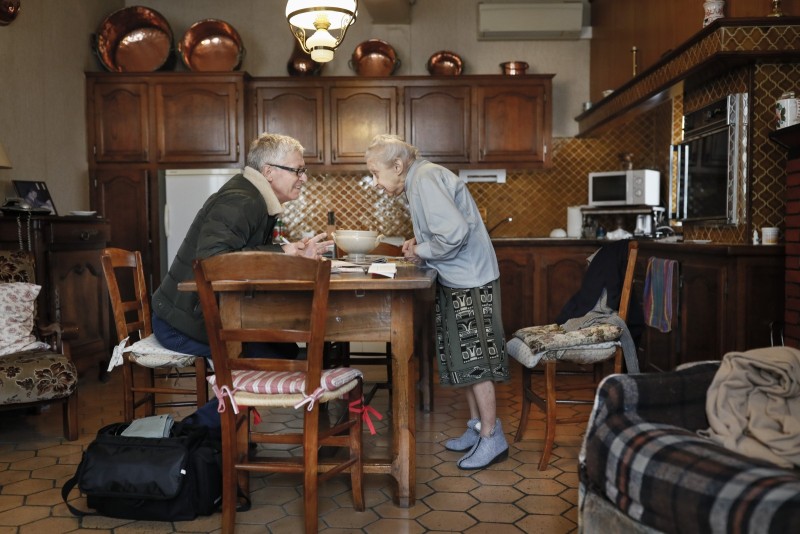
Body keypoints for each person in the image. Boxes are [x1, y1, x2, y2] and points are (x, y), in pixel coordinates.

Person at [151, 132, 332, 424]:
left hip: (195, 315)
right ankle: (194, 432)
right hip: (181, 323)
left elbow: (241, 254)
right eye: (298, 170)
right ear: (269, 172)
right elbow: (214, 261)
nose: (304, 178)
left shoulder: (253, 196)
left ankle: (224, 433)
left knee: (284, 350)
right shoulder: (242, 200)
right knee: (277, 359)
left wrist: (289, 253)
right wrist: (285, 252)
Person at [365, 134, 510, 470]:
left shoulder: (425, 179)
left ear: (397, 166)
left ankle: (492, 436)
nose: (374, 182)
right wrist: (424, 241)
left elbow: (456, 233)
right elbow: (449, 226)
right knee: (465, 358)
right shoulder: (421, 178)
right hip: (462, 277)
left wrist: (421, 249)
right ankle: (477, 429)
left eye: (375, 173)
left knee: (476, 361)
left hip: (471, 278)